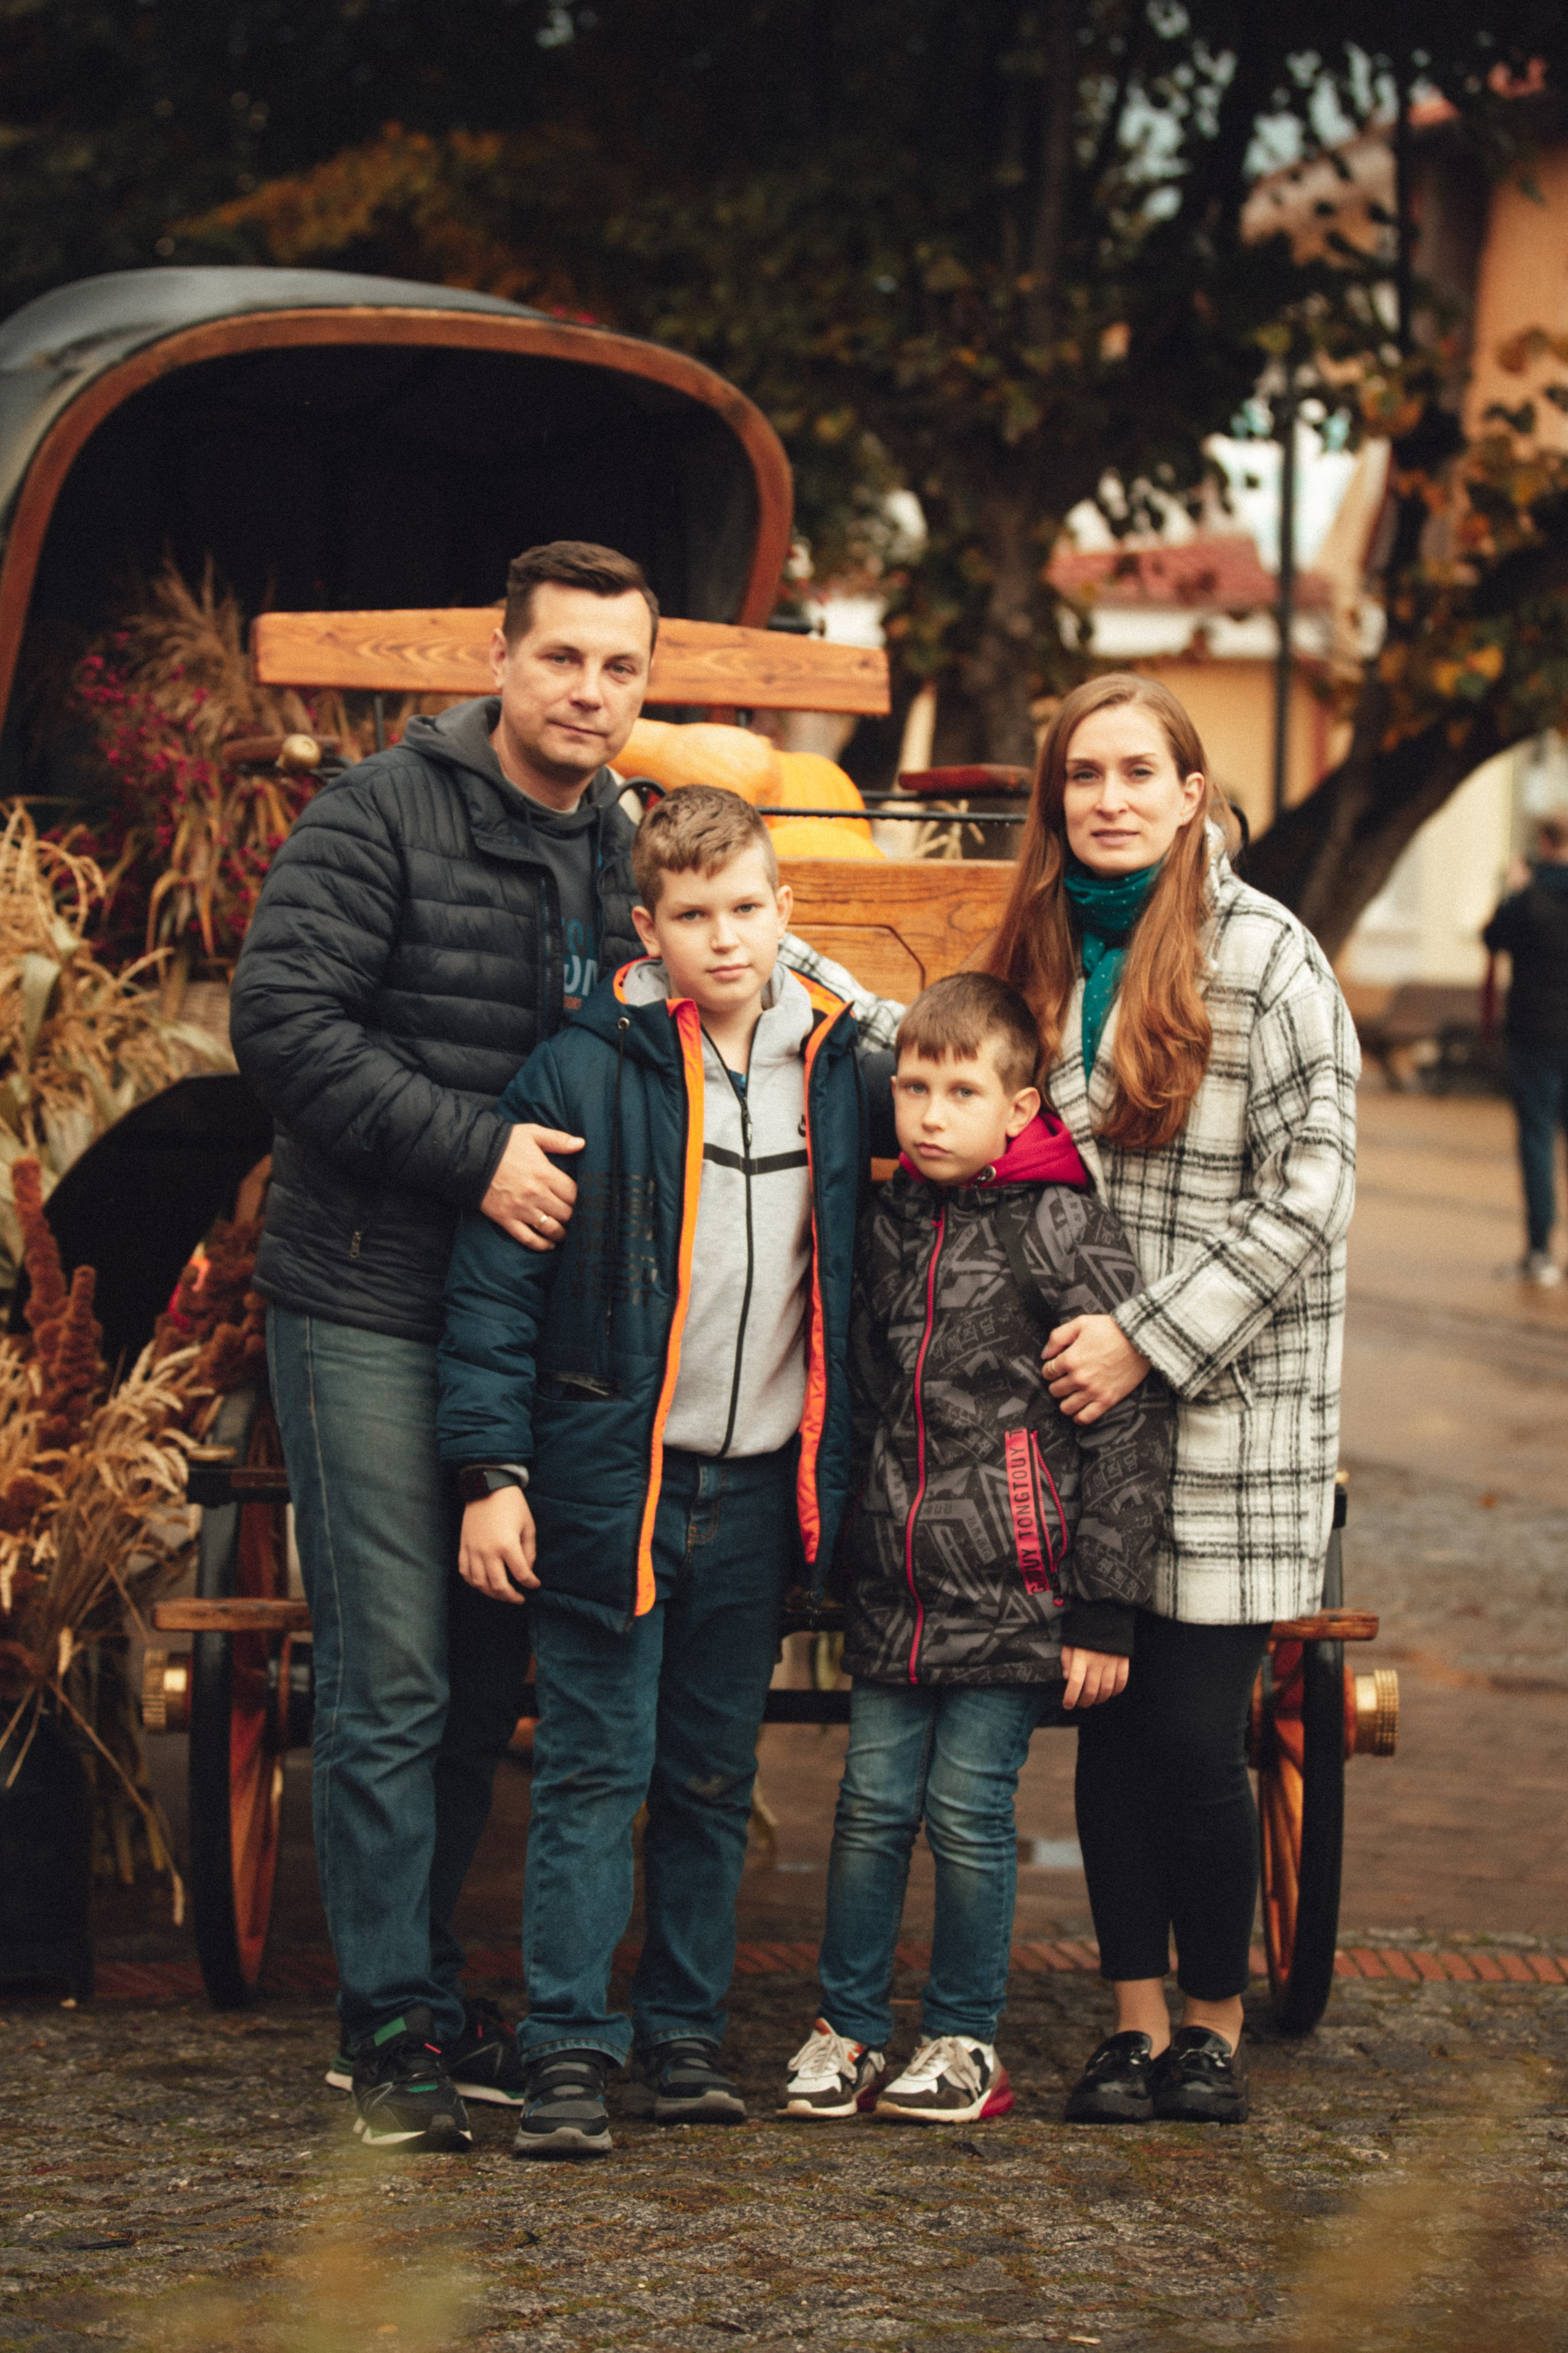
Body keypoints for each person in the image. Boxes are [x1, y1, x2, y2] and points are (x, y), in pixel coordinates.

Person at [230, 540, 895, 2153]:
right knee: (393, 1668)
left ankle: (450, 1992)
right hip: (378, 1284)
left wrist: (859, 1013)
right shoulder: (381, 812)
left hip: (556, 1316)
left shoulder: (623, 842)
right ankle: (385, 2019)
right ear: (501, 661)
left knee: (481, 1669)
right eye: (564, 660)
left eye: (621, 668)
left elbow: (726, 953)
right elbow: (282, 1021)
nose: (593, 692)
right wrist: (475, 1154)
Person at [437, 785, 881, 2161]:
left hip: (757, 1490)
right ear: (647, 927)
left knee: (706, 1772)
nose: (723, 937)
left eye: (746, 909)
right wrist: (489, 1469)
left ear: (783, 915)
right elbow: (496, 1289)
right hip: (610, 1484)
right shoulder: (579, 1070)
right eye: (691, 916)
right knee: (590, 1768)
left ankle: (683, 2028)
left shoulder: (846, 1072)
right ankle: (570, 2039)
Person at [984, 673, 1358, 2126]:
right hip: (1082, 1406)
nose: (1110, 797)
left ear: (1191, 791)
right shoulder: (1038, 949)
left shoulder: (1264, 956)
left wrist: (1147, 1334)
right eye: (1084, 774)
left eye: (1139, 770)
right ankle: (1128, 2019)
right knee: (1113, 1728)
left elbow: (1312, 1189)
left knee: (1199, 1740)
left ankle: (1211, 2016)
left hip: (1222, 1405)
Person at [778, 973, 1172, 2128]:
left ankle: (963, 2039)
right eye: (912, 1087)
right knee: (868, 1807)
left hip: (1015, 1591)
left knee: (966, 1813)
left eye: (961, 1090)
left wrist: (1102, 1606)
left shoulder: (1062, 1224)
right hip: (896, 1590)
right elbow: (848, 1391)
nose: (930, 1114)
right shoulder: (886, 1221)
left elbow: (1130, 1420)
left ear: (1020, 1106)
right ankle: (845, 2029)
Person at [1483, 814, 1568, 1287]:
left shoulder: (1528, 899)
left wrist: (1512, 888)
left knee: (1538, 1140)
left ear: (1543, 842)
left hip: (1536, 1035)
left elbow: (1492, 937)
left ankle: (1540, 1251)